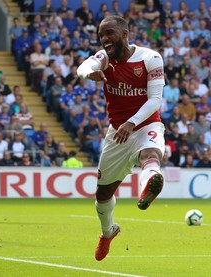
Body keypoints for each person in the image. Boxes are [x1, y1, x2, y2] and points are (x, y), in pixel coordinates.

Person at [77, 16, 166, 261]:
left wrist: (132, 122)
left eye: (110, 33)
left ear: (125, 34)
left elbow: (155, 100)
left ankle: (150, 181)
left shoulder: (150, 58)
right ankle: (108, 232)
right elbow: (82, 67)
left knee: (150, 154)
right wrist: (89, 75)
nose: (105, 39)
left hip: (145, 124)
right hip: (117, 133)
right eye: (101, 35)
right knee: (103, 195)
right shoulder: (104, 58)